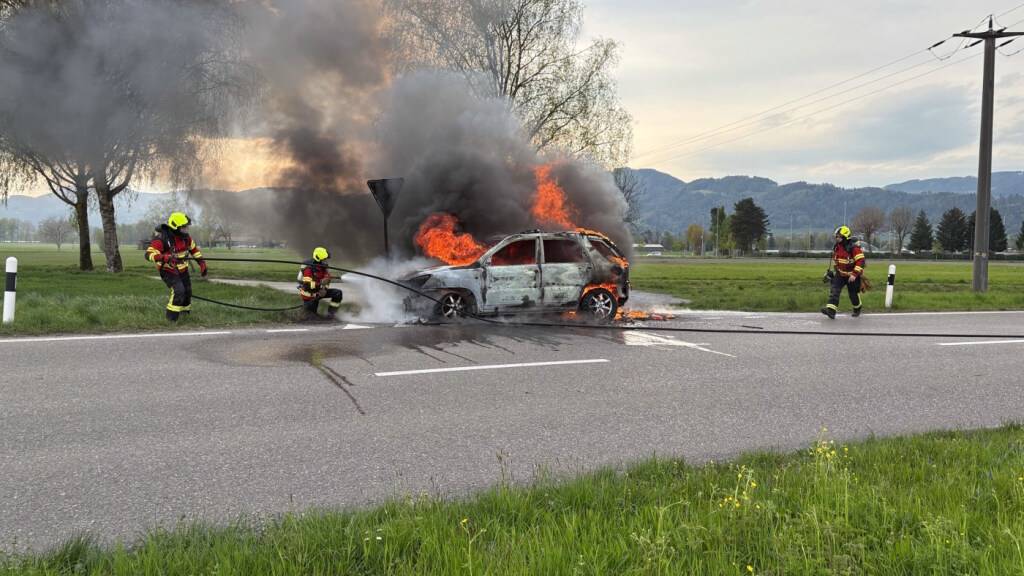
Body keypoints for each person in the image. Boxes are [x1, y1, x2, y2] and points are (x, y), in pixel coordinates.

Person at [145, 212, 208, 322]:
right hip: (168, 270)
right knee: (179, 291)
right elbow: (148, 255)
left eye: (186, 227)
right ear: (175, 227)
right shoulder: (161, 239)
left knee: (187, 291)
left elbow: (194, 250)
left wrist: (202, 263)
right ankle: (171, 320)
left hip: (183, 269)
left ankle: (185, 316)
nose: (186, 230)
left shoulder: (186, 238)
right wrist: (163, 257)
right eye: (183, 228)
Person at [821, 225, 865, 319]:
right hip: (840, 275)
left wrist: (854, 274)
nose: (836, 238)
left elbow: (861, 261)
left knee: (853, 295)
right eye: (836, 236)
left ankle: (857, 308)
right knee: (835, 290)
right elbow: (837, 262)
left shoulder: (854, 248)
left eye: (839, 236)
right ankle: (831, 311)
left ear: (845, 237)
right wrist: (832, 273)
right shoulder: (837, 247)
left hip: (852, 276)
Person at [298, 246, 343, 319]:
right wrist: (320, 285)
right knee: (312, 318)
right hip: (310, 296)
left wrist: (325, 289)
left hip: (319, 292)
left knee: (338, 293)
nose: (325, 261)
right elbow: (308, 285)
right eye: (324, 259)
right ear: (318, 258)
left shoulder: (323, 267)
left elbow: (327, 278)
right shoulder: (308, 269)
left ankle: (331, 314)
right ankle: (307, 313)